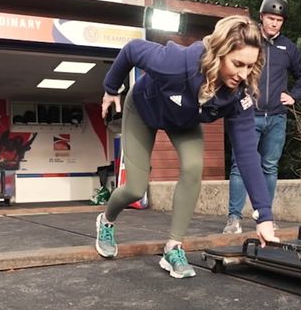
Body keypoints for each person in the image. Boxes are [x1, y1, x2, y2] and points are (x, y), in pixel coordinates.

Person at [96, 15, 278, 279]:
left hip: (184, 120)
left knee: (194, 167)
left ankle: (173, 247)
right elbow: (132, 50)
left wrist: (264, 217)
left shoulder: (238, 96)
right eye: (238, 64)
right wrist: (111, 88)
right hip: (144, 110)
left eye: (250, 66)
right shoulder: (175, 64)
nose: (243, 74)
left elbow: (248, 154)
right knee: (135, 189)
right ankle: (107, 221)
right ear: (218, 54)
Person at [223, 0, 301, 234]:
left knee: (270, 166)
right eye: (271, 18)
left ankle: (266, 217)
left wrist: (293, 96)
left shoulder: (288, 48)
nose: (275, 23)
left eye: (279, 20)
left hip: (276, 117)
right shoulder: (249, 42)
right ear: (261, 17)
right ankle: (233, 218)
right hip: (248, 115)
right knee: (239, 166)